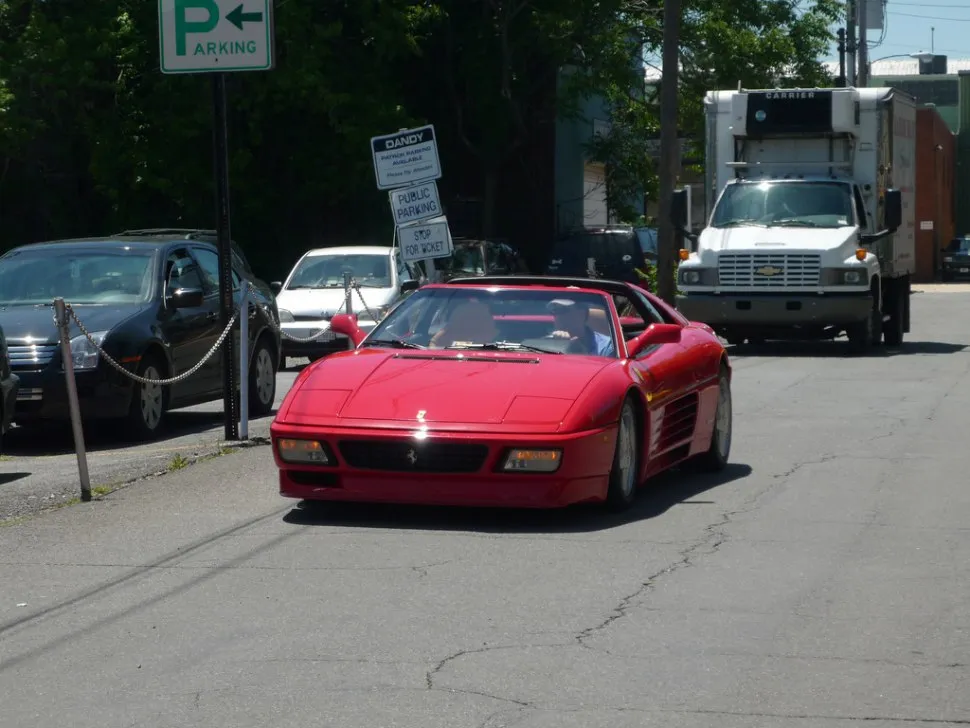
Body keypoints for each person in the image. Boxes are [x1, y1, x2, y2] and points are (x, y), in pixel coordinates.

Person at [546, 298, 615, 356]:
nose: (558, 317)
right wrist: (556, 348)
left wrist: (579, 354)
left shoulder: (607, 347)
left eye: (563, 310)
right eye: (554, 311)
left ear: (582, 314)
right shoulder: (543, 345)